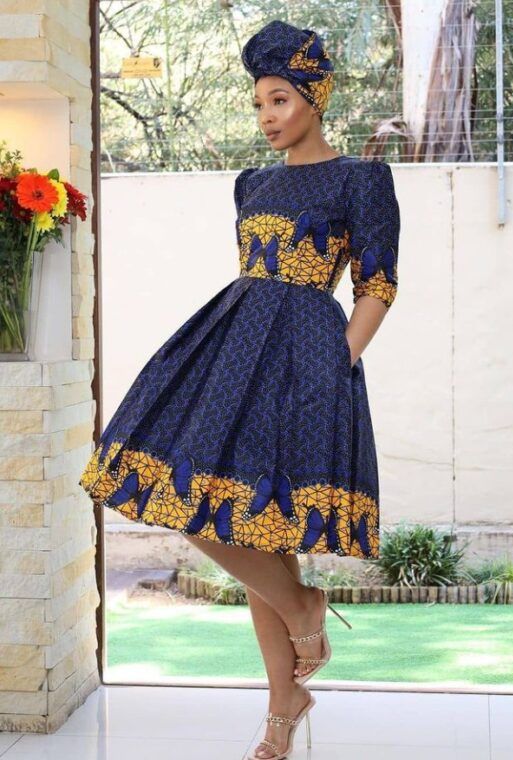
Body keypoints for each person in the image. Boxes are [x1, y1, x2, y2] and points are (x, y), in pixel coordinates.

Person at [79, 18, 400, 760]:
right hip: (233, 347)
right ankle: (303, 610)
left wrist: (339, 362)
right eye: (258, 103)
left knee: (265, 524)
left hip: (308, 358)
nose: (266, 117)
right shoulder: (250, 183)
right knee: (197, 503)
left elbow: (377, 284)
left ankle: (282, 707)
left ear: (315, 96)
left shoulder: (361, 179)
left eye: (279, 100)